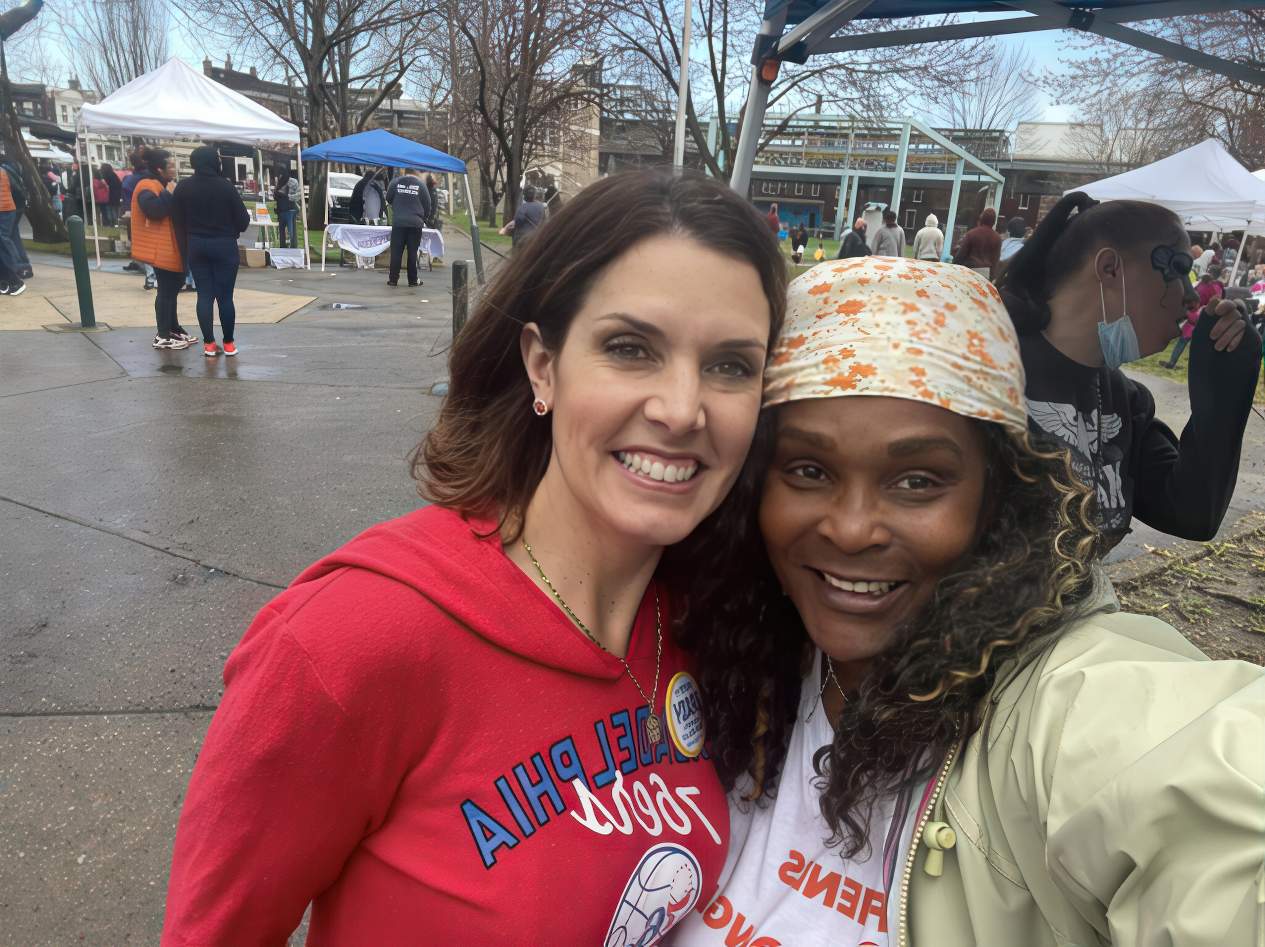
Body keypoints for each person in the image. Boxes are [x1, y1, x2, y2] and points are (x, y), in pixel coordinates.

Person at [161, 169, 789, 943]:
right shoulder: (354, 639)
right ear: (542, 364)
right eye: (630, 348)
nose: (681, 409)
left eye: (730, 365)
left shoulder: (708, 621)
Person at [674, 254, 1265, 947]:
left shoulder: (1052, 708)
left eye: (917, 480)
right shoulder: (722, 646)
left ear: (997, 497)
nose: (852, 526)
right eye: (808, 469)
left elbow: (1203, 798)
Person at [998, 192, 1260, 548]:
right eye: (1179, 271)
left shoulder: (1123, 400)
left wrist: (1224, 388)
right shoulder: (987, 374)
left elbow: (1194, 514)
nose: (1191, 296)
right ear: (1110, 269)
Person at [174, 145, 250, 358]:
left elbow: (176, 221)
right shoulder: (225, 187)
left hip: (196, 244)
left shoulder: (183, 187)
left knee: (204, 295)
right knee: (225, 297)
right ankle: (228, 343)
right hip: (224, 244)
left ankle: (209, 343)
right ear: (215, 162)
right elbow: (243, 221)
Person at [132, 148, 197, 350]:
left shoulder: (161, 184)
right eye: (170, 165)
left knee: (173, 287)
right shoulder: (147, 186)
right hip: (160, 247)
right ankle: (162, 334)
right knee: (166, 290)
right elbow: (154, 211)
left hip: (170, 245)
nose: (174, 169)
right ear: (159, 168)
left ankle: (173, 328)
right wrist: (169, 194)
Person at [1163, 266, 1224, 370]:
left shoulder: (1203, 284)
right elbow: (1215, 302)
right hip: (1202, 317)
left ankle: (1173, 362)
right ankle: (1192, 367)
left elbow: (1192, 295)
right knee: (1195, 346)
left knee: (1185, 343)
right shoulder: (1216, 287)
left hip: (1195, 316)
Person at [384, 166, 431, 287]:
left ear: (404, 172)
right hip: (415, 224)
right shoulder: (421, 185)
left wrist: (398, 204)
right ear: (415, 173)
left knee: (396, 252)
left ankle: (393, 279)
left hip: (399, 222)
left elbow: (388, 198)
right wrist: (423, 218)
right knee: (412, 252)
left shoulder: (395, 182)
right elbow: (427, 204)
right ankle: (413, 280)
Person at [0, 150, 33, 282]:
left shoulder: (3, 171)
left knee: (4, 238)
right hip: (15, 205)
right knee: (12, 236)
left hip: (6, 207)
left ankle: (14, 267)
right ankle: (23, 267)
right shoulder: (9, 168)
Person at [952, 206, 1001, 278]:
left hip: (970, 271)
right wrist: (992, 276)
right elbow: (995, 259)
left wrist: (954, 267)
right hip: (986, 274)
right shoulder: (997, 238)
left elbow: (961, 255)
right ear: (993, 222)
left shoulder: (972, 234)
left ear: (981, 219)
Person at [498, 186, 547, 251]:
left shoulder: (522, 208)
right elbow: (544, 221)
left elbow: (518, 221)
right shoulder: (541, 207)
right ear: (534, 195)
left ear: (524, 196)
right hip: (536, 237)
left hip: (523, 238)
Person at [273, 168, 299, 250]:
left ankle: (293, 248)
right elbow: (276, 195)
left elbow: (298, 195)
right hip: (281, 210)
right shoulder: (279, 181)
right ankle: (283, 247)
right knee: (282, 232)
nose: (279, 176)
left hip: (290, 210)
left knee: (291, 232)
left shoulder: (293, 182)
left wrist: (287, 197)